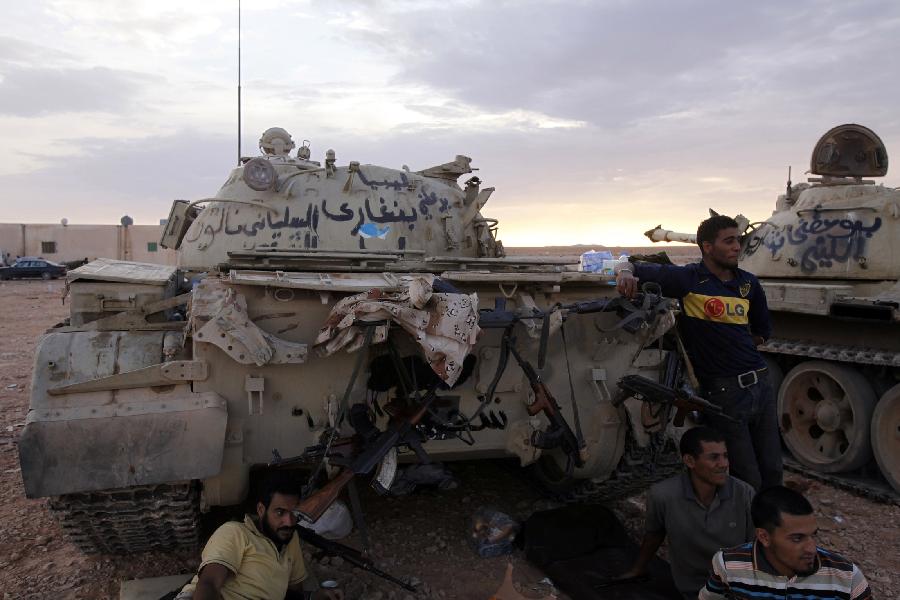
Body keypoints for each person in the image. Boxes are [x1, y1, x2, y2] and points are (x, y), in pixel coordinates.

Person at [615, 214, 781, 491]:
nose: (736, 247)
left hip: (761, 385)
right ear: (707, 247)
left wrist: (732, 344)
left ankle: (773, 517)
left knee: (773, 469)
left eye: (738, 241)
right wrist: (623, 272)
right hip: (725, 392)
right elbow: (629, 263)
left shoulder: (749, 284)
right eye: (729, 241)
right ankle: (746, 519)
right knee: (746, 475)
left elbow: (762, 332)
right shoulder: (688, 279)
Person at [617, 426, 755, 599]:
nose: (724, 464)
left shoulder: (744, 493)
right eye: (714, 457)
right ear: (690, 461)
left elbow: (757, 548)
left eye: (725, 456)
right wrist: (638, 569)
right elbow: (654, 534)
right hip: (693, 589)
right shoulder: (663, 496)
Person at [176, 474, 341, 600]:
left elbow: (291, 592)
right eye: (280, 512)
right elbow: (209, 584)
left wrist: (314, 596)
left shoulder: (291, 539)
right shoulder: (236, 533)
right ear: (261, 510)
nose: (289, 521)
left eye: (294, 513)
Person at [699, 485, 873, 599]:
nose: (812, 549)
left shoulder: (847, 577)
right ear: (764, 537)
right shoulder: (728, 566)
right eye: (797, 538)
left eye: (813, 535)